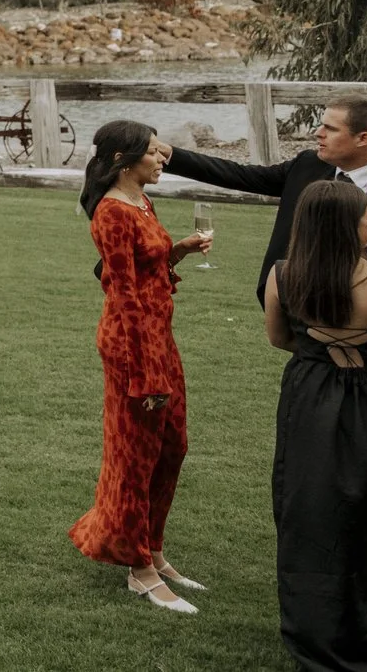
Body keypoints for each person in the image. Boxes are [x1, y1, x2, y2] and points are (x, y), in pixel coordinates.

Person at [262, 179, 367, 669]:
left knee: (314, 509)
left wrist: (322, 353)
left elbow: (279, 338)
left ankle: (322, 620)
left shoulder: (282, 276)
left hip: (312, 402)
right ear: (349, 227)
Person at [68, 120, 211, 614]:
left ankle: (154, 549)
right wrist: (145, 372)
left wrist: (180, 251)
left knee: (173, 446)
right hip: (133, 343)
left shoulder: (142, 201)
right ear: (123, 161)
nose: (161, 158)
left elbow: (147, 268)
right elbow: (123, 294)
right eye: (152, 152)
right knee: (136, 457)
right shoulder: (111, 212)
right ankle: (139, 569)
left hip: (159, 336)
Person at [160, 96, 367, 301]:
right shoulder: (307, 165)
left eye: (330, 129)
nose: (318, 133)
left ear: (363, 139)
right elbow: (239, 175)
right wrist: (171, 155)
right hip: (291, 306)